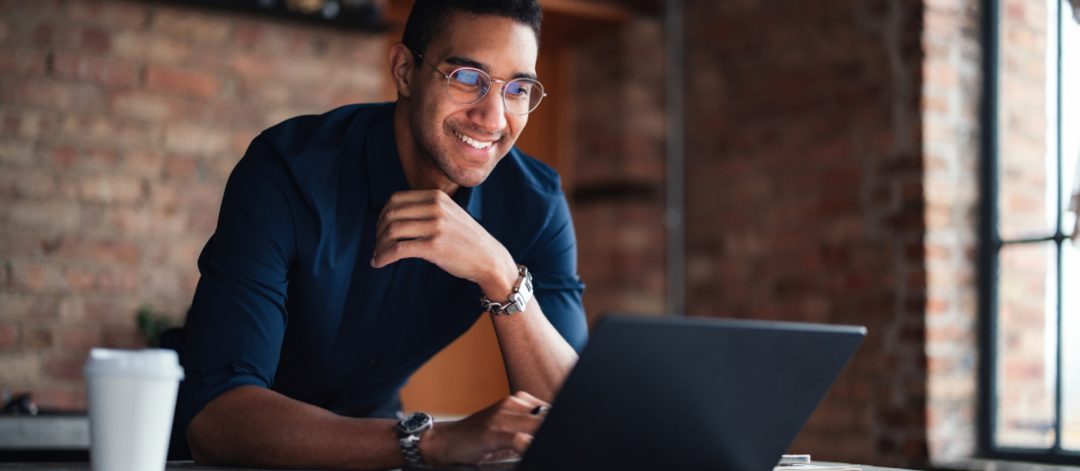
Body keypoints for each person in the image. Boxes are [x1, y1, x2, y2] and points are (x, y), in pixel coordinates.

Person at [172, 1, 587, 469]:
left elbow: (576, 420)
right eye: (467, 78)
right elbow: (215, 418)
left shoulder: (536, 204)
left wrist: (500, 273)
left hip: (377, 446)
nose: (493, 119)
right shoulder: (288, 172)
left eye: (518, 89)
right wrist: (429, 441)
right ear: (405, 71)